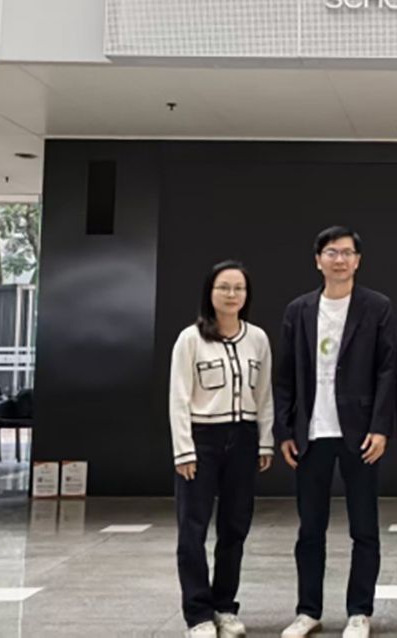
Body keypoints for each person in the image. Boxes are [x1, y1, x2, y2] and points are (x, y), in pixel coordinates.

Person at [274, 226, 397, 638]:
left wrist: (381, 427)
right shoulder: (299, 310)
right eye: (331, 252)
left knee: (364, 528)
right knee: (310, 529)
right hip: (311, 433)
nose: (339, 259)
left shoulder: (377, 307)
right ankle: (307, 611)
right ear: (318, 260)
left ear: (358, 261)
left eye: (347, 253)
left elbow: (388, 370)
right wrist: (285, 429)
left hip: (359, 433)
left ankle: (359, 612)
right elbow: (285, 375)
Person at [169, 260, 274, 638]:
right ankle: (198, 615)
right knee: (192, 530)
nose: (232, 295)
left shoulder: (257, 339)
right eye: (224, 287)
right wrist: (184, 450)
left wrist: (265, 440)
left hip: (243, 439)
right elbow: (178, 398)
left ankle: (225, 607)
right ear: (209, 293)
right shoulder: (191, 339)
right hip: (202, 439)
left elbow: (264, 395)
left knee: (234, 527)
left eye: (239, 288)